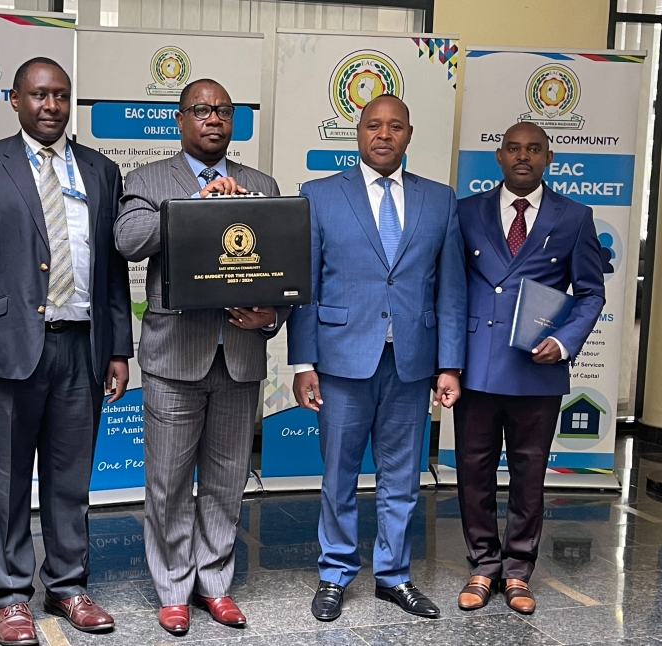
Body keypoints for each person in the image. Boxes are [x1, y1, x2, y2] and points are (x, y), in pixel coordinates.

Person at [0, 57, 133, 646]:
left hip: (83, 346)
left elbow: (112, 274)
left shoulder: (102, 171)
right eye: (38, 95)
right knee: (5, 480)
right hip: (8, 351)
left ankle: (68, 585)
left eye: (60, 96)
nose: (50, 106)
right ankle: (9, 596)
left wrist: (118, 349)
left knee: (70, 477)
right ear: (15, 100)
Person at [115, 78, 290, 636]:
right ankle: (171, 588)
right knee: (167, 483)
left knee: (226, 479)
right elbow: (129, 239)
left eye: (222, 110)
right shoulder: (146, 180)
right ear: (180, 120)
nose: (213, 118)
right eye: (200, 110)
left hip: (239, 356)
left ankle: (214, 583)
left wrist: (274, 317)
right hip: (175, 357)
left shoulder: (262, 184)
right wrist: (194, 207)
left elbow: (284, 268)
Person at [287, 94, 466, 622]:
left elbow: (450, 291)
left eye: (394, 126)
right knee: (339, 474)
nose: (383, 135)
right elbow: (307, 288)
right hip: (341, 360)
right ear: (358, 133)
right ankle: (335, 572)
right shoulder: (319, 196)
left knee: (402, 476)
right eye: (373, 126)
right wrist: (303, 363)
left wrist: (450, 363)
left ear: (409, 134)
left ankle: (394, 575)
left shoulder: (440, 200)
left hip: (412, 363)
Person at [454, 122, 604, 614]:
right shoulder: (466, 211)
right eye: (514, 149)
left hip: (537, 370)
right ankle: (482, 565)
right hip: (476, 367)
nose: (523, 157)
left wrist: (563, 341)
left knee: (528, 472)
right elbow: (451, 291)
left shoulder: (574, 217)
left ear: (549, 158)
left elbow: (590, 292)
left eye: (533, 149)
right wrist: (448, 364)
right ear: (498, 157)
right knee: (473, 471)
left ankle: (517, 571)